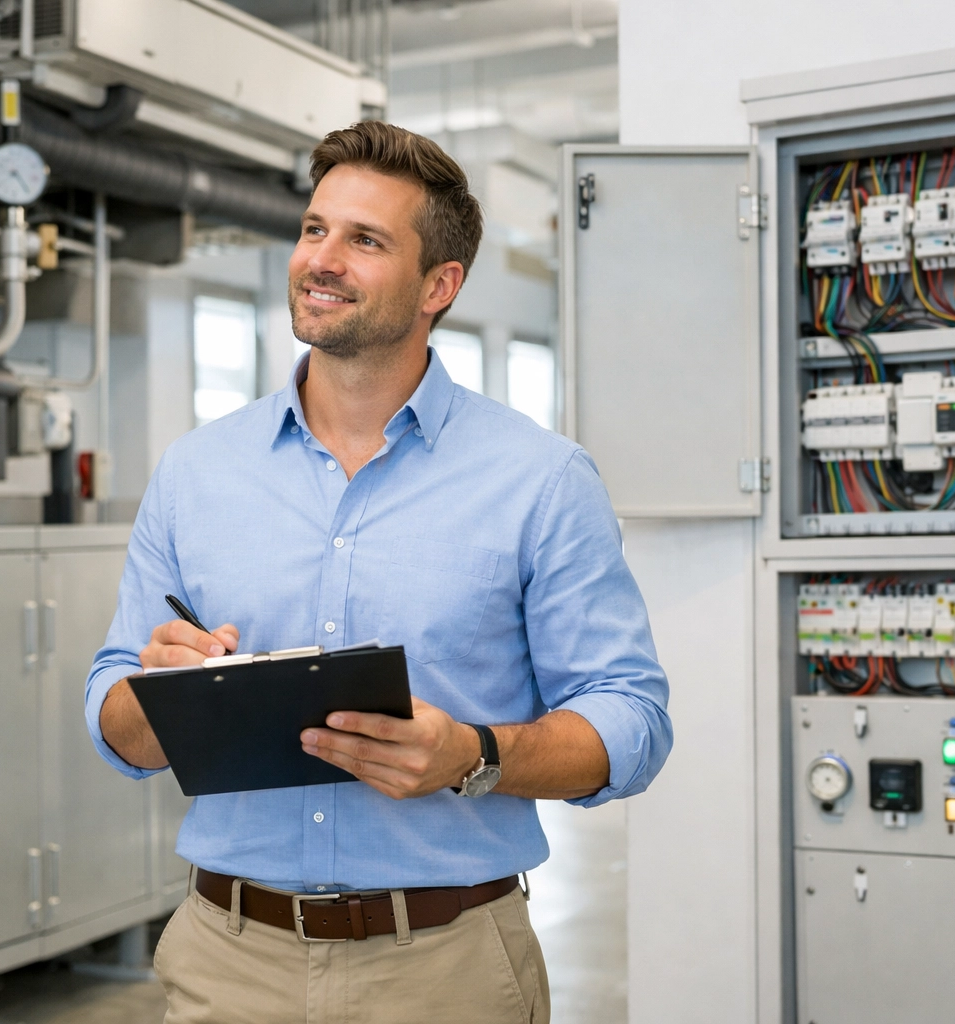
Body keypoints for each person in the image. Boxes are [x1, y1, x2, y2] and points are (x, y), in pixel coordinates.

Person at [86, 120, 671, 1024]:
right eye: (317, 229)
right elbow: (116, 723)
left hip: (448, 970)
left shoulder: (541, 479)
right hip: (226, 964)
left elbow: (631, 720)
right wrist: (159, 691)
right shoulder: (198, 472)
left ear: (440, 285)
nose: (323, 259)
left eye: (365, 240)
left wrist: (472, 755)